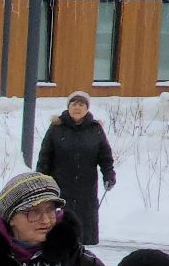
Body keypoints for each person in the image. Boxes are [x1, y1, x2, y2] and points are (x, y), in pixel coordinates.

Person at [37, 89, 117, 246]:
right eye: (74, 104)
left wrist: (109, 176)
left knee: (84, 230)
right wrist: (40, 179)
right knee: (60, 228)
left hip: (86, 188)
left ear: (87, 108)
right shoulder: (56, 128)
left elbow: (105, 158)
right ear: (68, 107)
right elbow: (45, 157)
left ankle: (82, 254)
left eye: (81, 105)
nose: (77, 108)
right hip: (60, 186)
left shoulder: (95, 130)